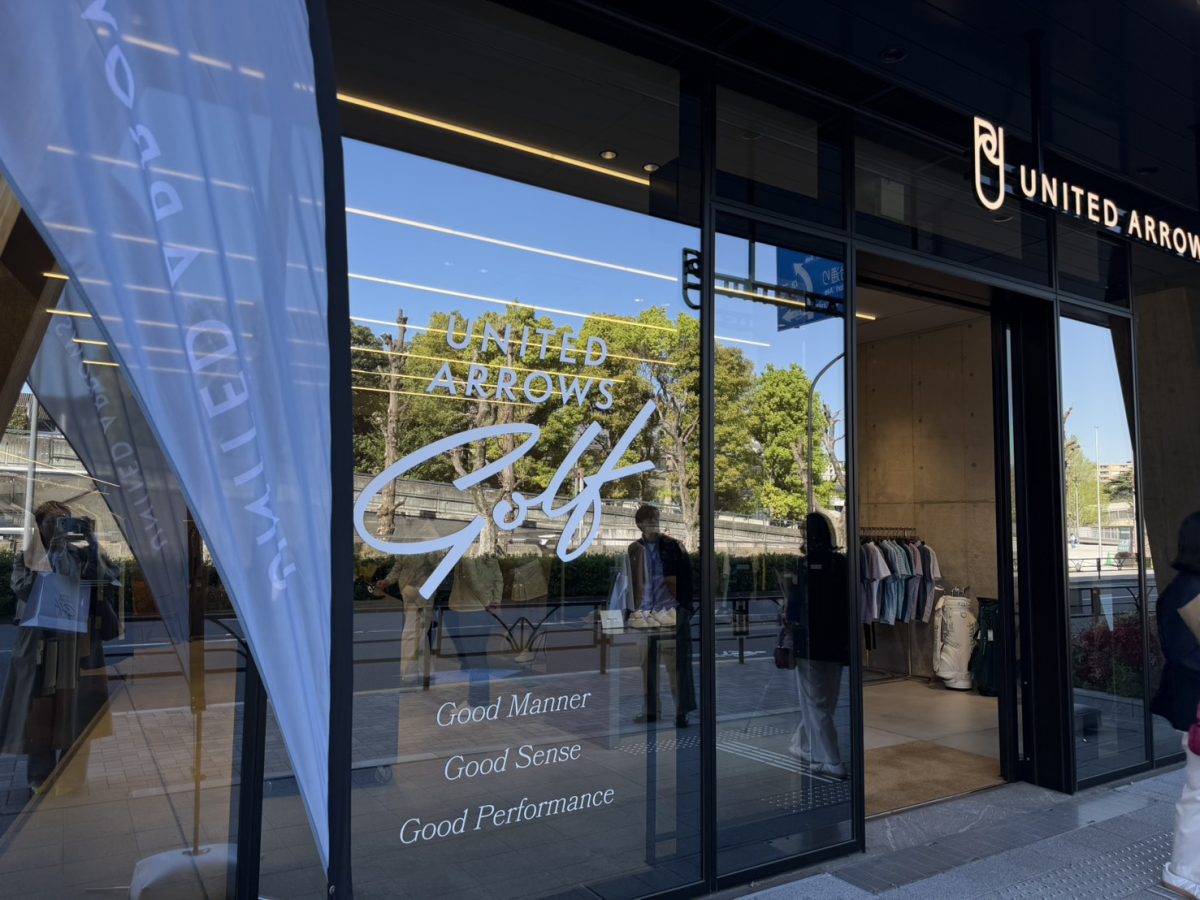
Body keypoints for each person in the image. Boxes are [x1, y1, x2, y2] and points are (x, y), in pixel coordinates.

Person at [0, 501, 118, 796]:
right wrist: (49, 556)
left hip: (78, 644)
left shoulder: (82, 555)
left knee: (77, 710)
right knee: (40, 710)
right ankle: (40, 777)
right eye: (52, 522)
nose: (58, 527)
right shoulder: (28, 558)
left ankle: (72, 777)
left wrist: (92, 543)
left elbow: (106, 579)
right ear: (39, 527)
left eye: (64, 521)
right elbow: (24, 589)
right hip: (41, 644)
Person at [1152, 510, 1200, 898]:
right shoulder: (1188, 592)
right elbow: (1187, 657)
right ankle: (1183, 873)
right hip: (1198, 706)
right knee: (1198, 792)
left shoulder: (1185, 588)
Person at [786, 512, 850, 779]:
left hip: (810, 642)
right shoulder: (841, 564)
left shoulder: (803, 566)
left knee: (814, 702)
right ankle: (805, 744)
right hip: (835, 643)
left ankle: (831, 760)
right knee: (826, 701)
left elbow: (794, 607)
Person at [627, 504, 696, 728]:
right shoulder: (634, 549)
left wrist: (685, 609)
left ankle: (681, 711)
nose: (654, 524)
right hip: (645, 614)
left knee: (676, 666)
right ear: (640, 524)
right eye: (649, 520)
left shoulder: (673, 546)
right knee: (647, 667)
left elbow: (687, 578)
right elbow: (630, 582)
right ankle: (651, 710)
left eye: (656, 519)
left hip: (670, 613)